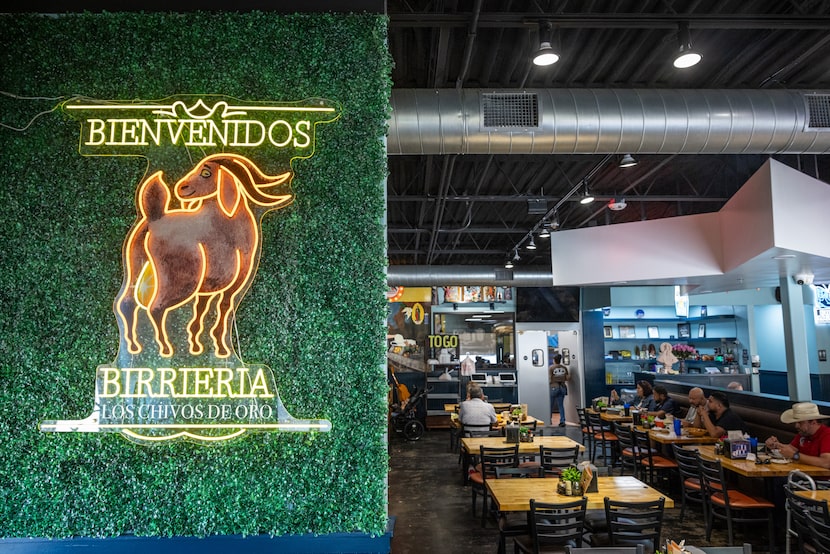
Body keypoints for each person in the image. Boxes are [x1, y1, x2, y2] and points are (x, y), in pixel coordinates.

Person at [765, 402, 830, 468]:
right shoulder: (803, 433)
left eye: (800, 422)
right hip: (801, 473)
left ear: (813, 423)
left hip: (817, 478)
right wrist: (775, 446)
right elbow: (790, 450)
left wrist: (795, 455)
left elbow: (826, 462)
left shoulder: (827, 434)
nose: (796, 426)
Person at [548, 354, 570, 427]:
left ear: (554, 360)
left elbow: (549, 378)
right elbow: (568, 377)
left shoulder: (551, 368)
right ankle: (562, 421)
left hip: (554, 387)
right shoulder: (564, 368)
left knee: (550, 405)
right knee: (561, 405)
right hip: (562, 387)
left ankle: (549, 420)